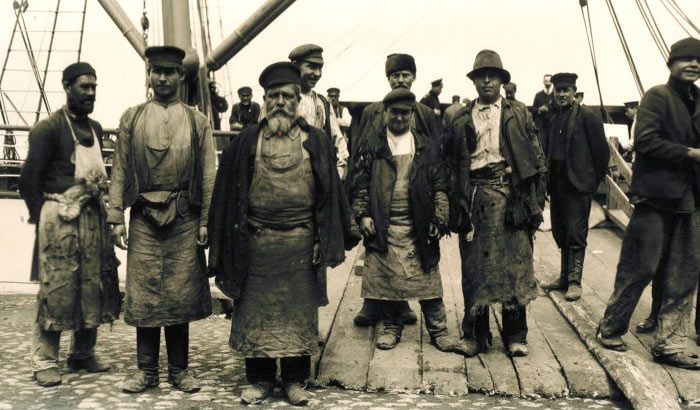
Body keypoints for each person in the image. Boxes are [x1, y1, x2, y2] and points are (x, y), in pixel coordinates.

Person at [208, 61, 359, 406]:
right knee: (255, 314)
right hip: (257, 245)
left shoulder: (316, 141)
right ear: (263, 99)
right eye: (273, 95)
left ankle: (294, 380)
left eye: (287, 96)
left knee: (299, 314)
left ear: (297, 99)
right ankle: (260, 381)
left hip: (301, 244)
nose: (280, 102)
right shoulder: (246, 140)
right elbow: (226, 195)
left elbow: (329, 196)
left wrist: (324, 238)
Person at [108, 46, 216, 393]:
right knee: (145, 294)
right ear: (149, 75)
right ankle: (147, 370)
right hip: (143, 218)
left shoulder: (197, 121)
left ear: (181, 76)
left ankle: (180, 370)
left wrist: (205, 221)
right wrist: (116, 218)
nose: (163, 78)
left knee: (181, 293)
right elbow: (120, 169)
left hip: (185, 216)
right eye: (157, 71)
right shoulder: (132, 118)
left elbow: (209, 174)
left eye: (170, 72)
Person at [597, 37, 700, 370]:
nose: (694, 65)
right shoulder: (657, 96)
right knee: (640, 266)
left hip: (690, 199)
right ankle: (610, 327)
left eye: (698, 60)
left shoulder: (697, 100)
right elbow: (645, 140)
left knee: (684, 274)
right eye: (685, 59)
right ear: (670, 64)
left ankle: (670, 342)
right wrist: (688, 153)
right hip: (656, 198)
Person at [19, 62, 120, 387]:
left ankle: (82, 354)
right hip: (59, 222)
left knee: (93, 283)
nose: (90, 92)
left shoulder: (95, 127)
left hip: (91, 218)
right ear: (66, 87)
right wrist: (47, 218)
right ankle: (44, 360)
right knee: (57, 288)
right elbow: (28, 182)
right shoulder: (47, 129)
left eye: (94, 87)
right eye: (83, 87)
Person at [350, 88, 470, 355]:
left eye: (405, 113)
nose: (400, 119)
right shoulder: (373, 144)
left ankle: (439, 330)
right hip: (384, 224)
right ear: (385, 113)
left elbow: (440, 185)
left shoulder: (426, 146)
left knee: (427, 280)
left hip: (418, 225)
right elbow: (359, 183)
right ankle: (392, 328)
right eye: (395, 113)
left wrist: (439, 218)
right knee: (389, 282)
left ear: (413, 114)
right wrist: (363, 214)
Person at [446, 49, 547, 358]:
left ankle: (516, 334)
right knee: (475, 269)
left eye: (492, 76)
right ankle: (475, 336)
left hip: (511, 197)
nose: (486, 81)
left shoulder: (518, 112)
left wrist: (536, 203)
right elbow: (449, 162)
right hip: (474, 198)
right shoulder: (460, 116)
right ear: (474, 82)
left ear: (502, 81)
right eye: (481, 76)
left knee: (514, 266)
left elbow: (536, 158)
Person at [350, 53, 439, 327]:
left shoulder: (423, 112)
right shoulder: (373, 112)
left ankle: (401, 305)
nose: (401, 79)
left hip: (411, 189)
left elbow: (433, 154)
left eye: (406, 75)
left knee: (411, 248)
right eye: (395, 75)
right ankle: (373, 303)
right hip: (379, 188)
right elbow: (359, 153)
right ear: (388, 79)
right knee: (378, 248)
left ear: (414, 77)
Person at [539, 73, 610, 301]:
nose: (561, 94)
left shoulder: (587, 116)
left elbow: (602, 153)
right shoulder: (553, 117)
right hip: (557, 184)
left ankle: (574, 282)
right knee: (560, 230)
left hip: (578, 185)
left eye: (566, 90)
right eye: (558, 90)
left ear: (574, 92)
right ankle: (563, 277)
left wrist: (591, 182)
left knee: (576, 232)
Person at [288, 44, 349, 180]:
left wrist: (337, 175)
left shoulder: (323, 103)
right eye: (312, 66)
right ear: (296, 66)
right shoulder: (279, 100)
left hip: (316, 177)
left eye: (320, 68)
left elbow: (339, 141)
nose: (317, 74)